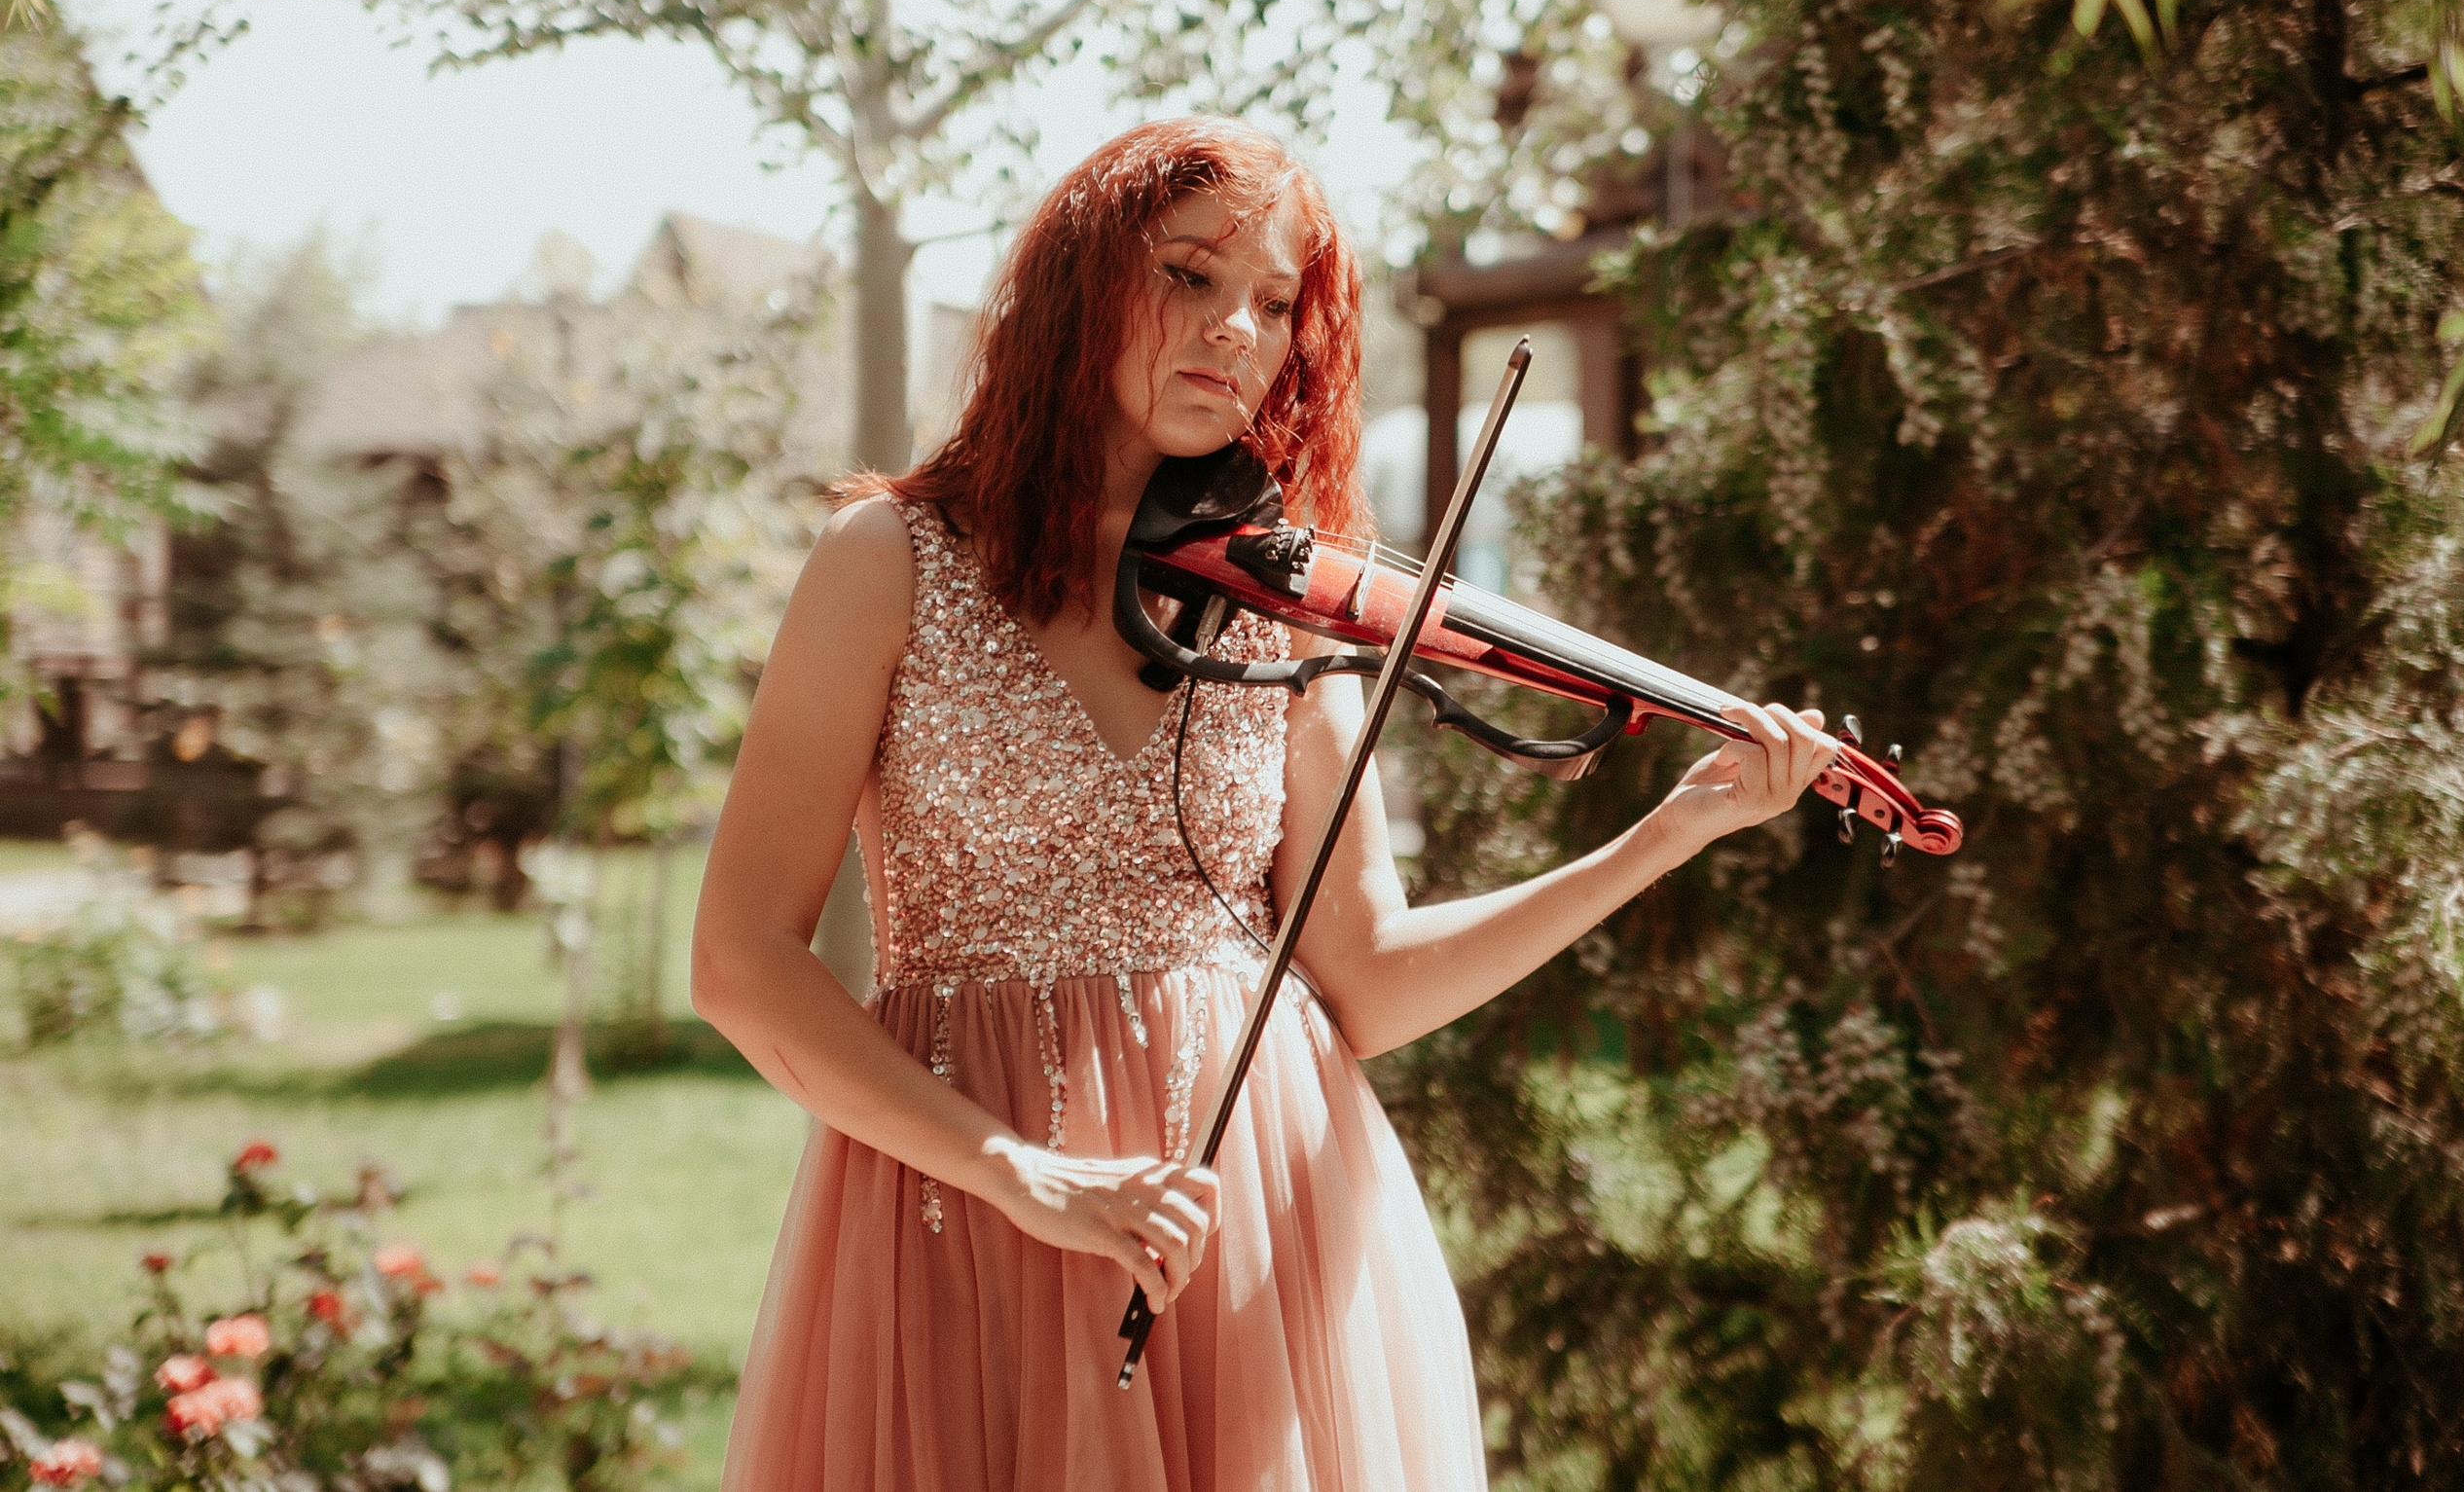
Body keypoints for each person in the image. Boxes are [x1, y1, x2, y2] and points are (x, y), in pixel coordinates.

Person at [691, 117, 1842, 1492]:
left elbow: (1362, 976)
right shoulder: (891, 561)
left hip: (1258, 1209)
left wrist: (1667, 837)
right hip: (963, 1209)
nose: (1237, 330)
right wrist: (1019, 1172)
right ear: (1079, 290)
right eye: (1189, 277)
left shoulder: (1286, 607)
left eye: (1277, 301)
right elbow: (741, 961)